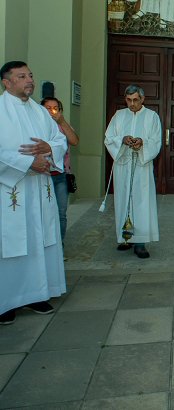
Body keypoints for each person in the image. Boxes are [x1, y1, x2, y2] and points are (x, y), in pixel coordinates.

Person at [0, 61, 67, 325]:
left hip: (39, 188)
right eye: (21, 76)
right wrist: (28, 163)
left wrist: (48, 148)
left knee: (40, 237)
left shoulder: (41, 112)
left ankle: (37, 294)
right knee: (12, 241)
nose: (29, 80)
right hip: (10, 190)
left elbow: (59, 139)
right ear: (7, 82)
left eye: (30, 75)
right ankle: (6, 301)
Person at [104, 84, 161, 259]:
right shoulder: (119, 116)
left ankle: (141, 242)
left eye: (136, 100)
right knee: (123, 200)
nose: (132, 104)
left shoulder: (152, 117)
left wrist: (142, 143)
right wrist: (122, 139)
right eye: (129, 100)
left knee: (141, 202)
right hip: (123, 166)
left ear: (142, 99)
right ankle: (125, 237)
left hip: (141, 166)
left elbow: (156, 140)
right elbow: (108, 138)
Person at [41, 97, 79, 246]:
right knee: (43, 212)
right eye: (48, 108)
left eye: (55, 108)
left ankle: (59, 245)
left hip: (61, 176)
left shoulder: (63, 126)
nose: (52, 111)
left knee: (61, 213)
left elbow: (75, 141)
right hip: (42, 175)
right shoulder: (36, 126)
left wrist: (62, 122)